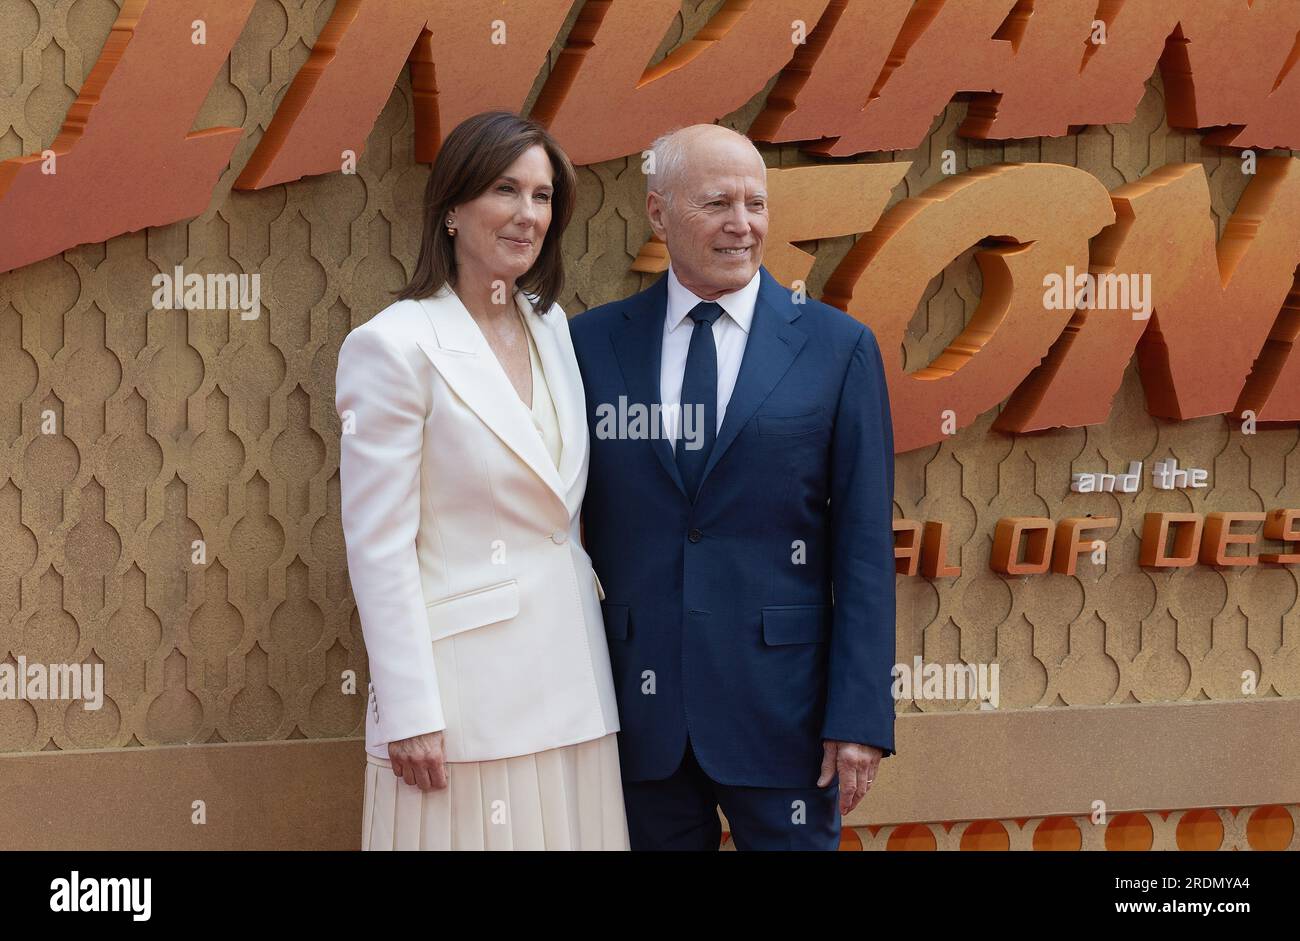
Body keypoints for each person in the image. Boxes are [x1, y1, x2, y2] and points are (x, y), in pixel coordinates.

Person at [569, 124, 897, 851]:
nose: (741, 224)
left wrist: (860, 717)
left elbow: (867, 550)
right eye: (717, 202)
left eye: (756, 203)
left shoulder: (838, 348)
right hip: (636, 711)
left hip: (788, 718)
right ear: (658, 213)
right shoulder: (589, 345)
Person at [335, 111, 628, 850]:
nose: (528, 214)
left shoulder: (553, 325)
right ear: (453, 209)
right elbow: (378, 545)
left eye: (542, 195)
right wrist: (408, 709)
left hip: (575, 687)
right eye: (506, 190)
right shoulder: (393, 346)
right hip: (462, 706)